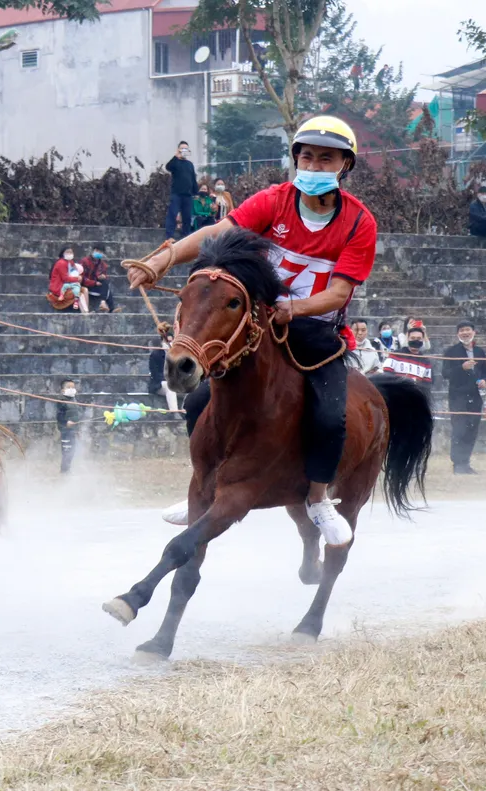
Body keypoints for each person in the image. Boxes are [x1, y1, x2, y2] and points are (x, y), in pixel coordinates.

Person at [130, 115, 377, 543]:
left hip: (316, 333)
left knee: (328, 416)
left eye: (326, 159)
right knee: (198, 400)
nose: (315, 166)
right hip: (259, 326)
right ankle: (202, 486)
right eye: (307, 157)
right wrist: (159, 262)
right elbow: (214, 232)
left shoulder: (359, 223)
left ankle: (317, 499)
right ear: (296, 159)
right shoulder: (274, 200)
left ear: (344, 166)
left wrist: (293, 308)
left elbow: (338, 294)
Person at [441, 321, 486, 474]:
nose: (465, 333)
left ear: (474, 332)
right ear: (457, 334)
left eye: (468, 330)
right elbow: (445, 373)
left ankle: (466, 462)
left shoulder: (480, 352)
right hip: (458, 396)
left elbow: (485, 373)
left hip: (476, 396)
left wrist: (484, 381)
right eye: (462, 330)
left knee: (472, 430)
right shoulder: (451, 351)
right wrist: (461, 367)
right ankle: (458, 463)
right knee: (459, 429)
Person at [383, 327, 434, 393]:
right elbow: (387, 373)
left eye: (419, 338)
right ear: (407, 339)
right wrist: (402, 382)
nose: (416, 341)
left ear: (423, 340)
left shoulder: (426, 362)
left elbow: (427, 384)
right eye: (412, 338)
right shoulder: (395, 355)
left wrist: (415, 384)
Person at [164, 141, 196, 240]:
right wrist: (176, 156)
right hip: (177, 194)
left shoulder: (190, 164)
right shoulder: (175, 162)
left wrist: (196, 192)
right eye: (182, 148)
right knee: (172, 214)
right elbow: (168, 167)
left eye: (186, 149)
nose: (184, 151)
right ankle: (169, 236)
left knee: (187, 217)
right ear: (178, 150)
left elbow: (193, 179)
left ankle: (185, 236)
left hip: (188, 195)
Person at [148, 323, 179, 413]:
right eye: (167, 342)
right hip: (160, 384)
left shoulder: (177, 356)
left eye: (171, 341)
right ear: (162, 342)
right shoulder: (155, 355)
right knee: (170, 387)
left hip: (177, 384)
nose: (170, 344)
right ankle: (175, 412)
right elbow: (155, 374)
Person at [48, 246, 89, 313]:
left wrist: (79, 277)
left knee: (85, 290)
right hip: (59, 289)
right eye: (67, 252)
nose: (69, 254)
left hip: (69, 286)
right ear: (63, 254)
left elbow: (76, 273)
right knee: (79, 294)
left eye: (71, 252)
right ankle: (85, 313)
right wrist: (77, 279)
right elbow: (65, 278)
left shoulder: (71, 262)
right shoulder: (61, 263)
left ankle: (86, 310)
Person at [80, 243, 119, 313]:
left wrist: (103, 276)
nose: (99, 253)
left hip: (97, 286)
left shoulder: (102, 264)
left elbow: (104, 275)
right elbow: (82, 278)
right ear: (94, 251)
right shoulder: (84, 261)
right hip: (87, 285)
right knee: (106, 287)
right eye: (97, 251)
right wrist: (94, 283)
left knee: (105, 282)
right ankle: (110, 307)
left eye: (101, 252)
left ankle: (104, 303)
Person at [55, 378, 79, 474]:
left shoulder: (74, 400)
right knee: (67, 451)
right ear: (63, 390)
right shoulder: (61, 401)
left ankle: (67, 470)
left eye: (73, 387)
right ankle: (64, 471)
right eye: (69, 387)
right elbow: (59, 416)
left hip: (73, 430)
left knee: (72, 451)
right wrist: (66, 423)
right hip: (66, 431)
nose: (71, 389)